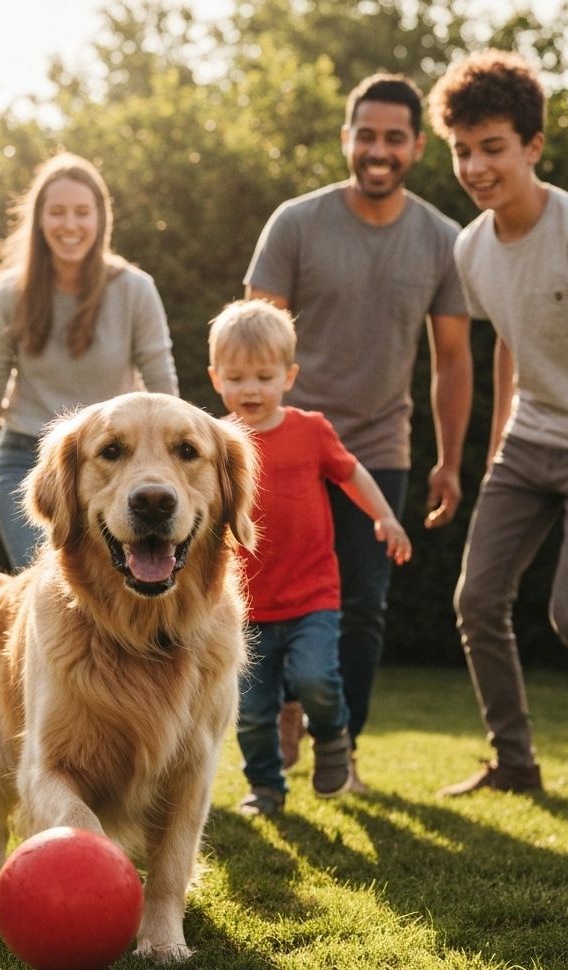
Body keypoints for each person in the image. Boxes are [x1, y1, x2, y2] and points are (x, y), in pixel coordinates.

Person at [427, 51, 568, 796]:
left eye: (493, 148)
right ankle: (515, 764)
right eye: (463, 151)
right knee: (476, 601)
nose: (477, 167)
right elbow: (510, 346)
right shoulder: (471, 245)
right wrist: (497, 451)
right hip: (527, 445)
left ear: (532, 146)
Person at [244, 73, 472, 788]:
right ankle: (280, 711)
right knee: (264, 594)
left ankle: (343, 752)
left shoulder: (443, 240)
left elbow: (454, 359)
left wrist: (451, 460)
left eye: (394, 138)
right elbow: (252, 342)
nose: (379, 150)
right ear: (347, 140)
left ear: (416, 146)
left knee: (365, 607)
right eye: (366, 136)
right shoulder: (297, 223)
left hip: (378, 449)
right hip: (282, 448)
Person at [208, 299, 412, 815]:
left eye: (263, 375)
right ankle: (266, 787)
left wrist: (384, 517)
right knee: (253, 711)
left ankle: (332, 736)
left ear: (289, 376)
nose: (250, 388)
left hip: (311, 594)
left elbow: (351, 474)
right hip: (246, 604)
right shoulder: (214, 442)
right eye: (236, 377)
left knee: (317, 679)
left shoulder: (311, 430)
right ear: (215, 378)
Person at [0, 152, 178, 569]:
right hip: (27, 459)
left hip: (116, 461)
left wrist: (169, 467)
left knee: (119, 584)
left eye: (82, 212)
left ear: (100, 219)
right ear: (40, 220)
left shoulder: (135, 290)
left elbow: (163, 386)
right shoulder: (9, 295)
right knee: (47, 583)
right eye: (57, 212)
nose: (70, 225)